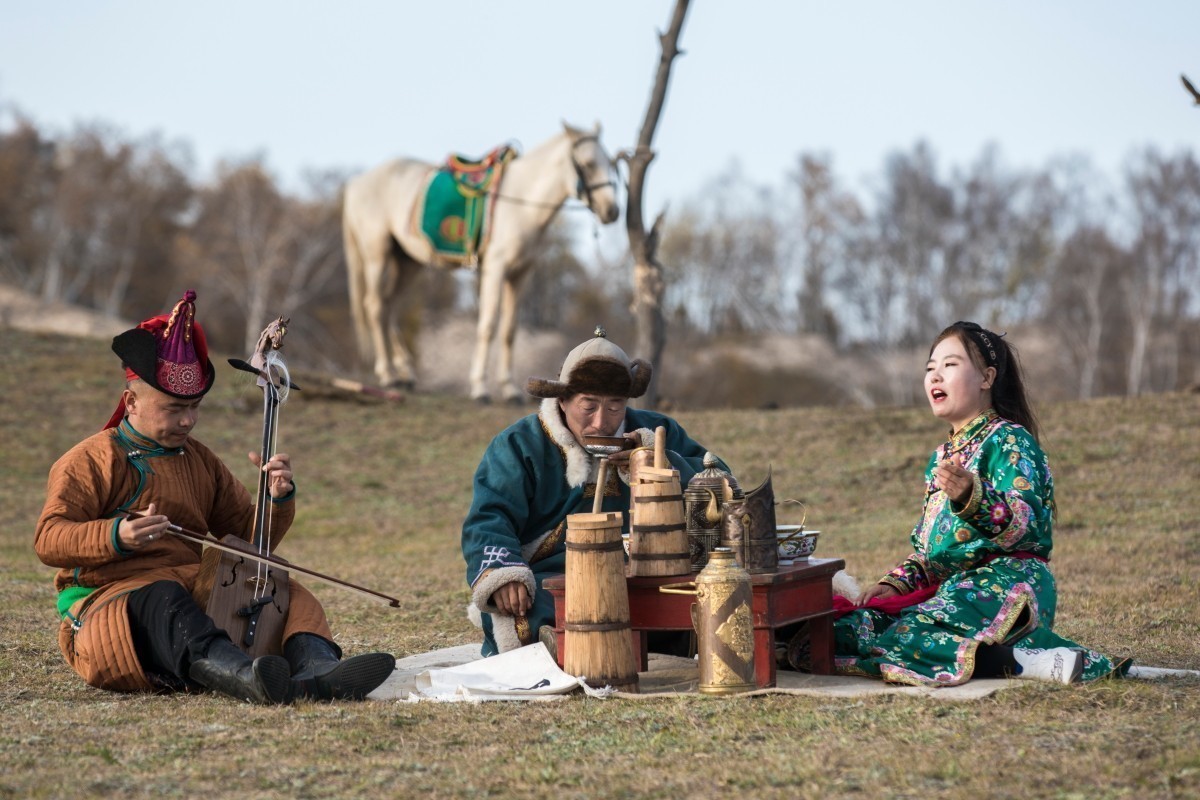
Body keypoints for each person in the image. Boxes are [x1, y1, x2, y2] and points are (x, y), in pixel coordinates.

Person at [34, 290, 395, 704]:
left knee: (285, 590)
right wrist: (119, 535)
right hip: (112, 603)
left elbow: (249, 541)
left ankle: (318, 670)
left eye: (194, 407)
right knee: (163, 600)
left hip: (194, 591)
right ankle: (242, 676)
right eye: (173, 408)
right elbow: (49, 538)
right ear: (131, 402)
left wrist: (276, 499)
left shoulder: (199, 460)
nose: (188, 419)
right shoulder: (90, 459)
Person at [828, 321, 1130, 685]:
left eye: (950, 365)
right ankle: (1003, 658)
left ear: (987, 378)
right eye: (930, 368)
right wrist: (895, 584)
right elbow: (931, 552)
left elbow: (1028, 526)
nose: (935, 376)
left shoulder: (1010, 441)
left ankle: (1026, 662)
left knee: (909, 636)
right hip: (952, 590)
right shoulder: (941, 457)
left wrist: (974, 497)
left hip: (1006, 581)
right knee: (845, 630)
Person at [461, 327, 727, 657]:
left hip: (648, 575)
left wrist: (655, 458)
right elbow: (489, 517)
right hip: (558, 580)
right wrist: (503, 575)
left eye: (614, 407)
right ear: (562, 399)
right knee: (530, 611)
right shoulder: (519, 444)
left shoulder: (657, 432)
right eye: (589, 406)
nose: (601, 422)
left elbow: (720, 482)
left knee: (713, 597)